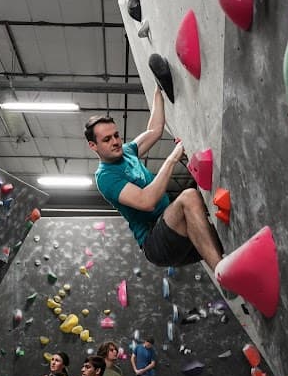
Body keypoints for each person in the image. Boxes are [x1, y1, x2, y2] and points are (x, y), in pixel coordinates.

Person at [85, 87, 224, 270]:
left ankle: (230, 270)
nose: (115, 142)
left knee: (221, 237)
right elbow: (147, 201)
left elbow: (155, 130)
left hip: (175, 229)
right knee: (189, 196)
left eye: (116, 135)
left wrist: (158, 89)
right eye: (107, 139)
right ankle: (223, 274)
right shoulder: (105, 177)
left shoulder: (127, 151)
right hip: (155, 242)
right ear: (93, 145)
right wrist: (173, 158)